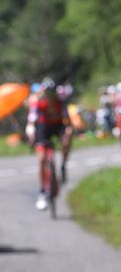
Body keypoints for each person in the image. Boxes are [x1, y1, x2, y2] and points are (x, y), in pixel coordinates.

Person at [27, 78, 73, 210]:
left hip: (58, 126)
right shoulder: (38, 103)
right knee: (41, 159)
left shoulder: (61, 102)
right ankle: (42, 192)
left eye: (52, 93)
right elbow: (32, 121)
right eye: (47, 93)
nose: (50, 96)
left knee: (68, 136)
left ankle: (63, 164)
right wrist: (30, 132)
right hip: (44, 127)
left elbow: (68, 122)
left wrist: (67, 136)